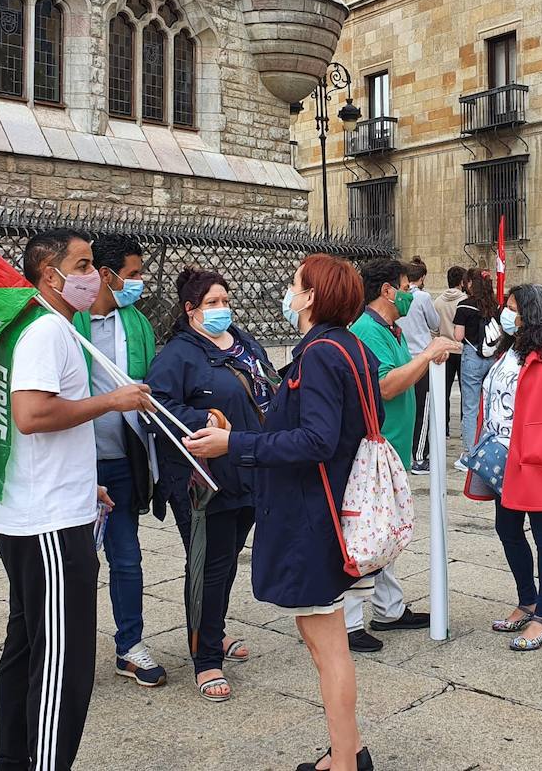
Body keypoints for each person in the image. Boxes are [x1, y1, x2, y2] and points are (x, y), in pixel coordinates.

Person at [184, 254, 379, 771]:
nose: (288, 293)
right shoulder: (350, 346)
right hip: (324, 506)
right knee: (320, 636)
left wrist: (236, 443)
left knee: (327, 642)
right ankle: (347, 750)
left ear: (312, 296)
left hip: (310, 513)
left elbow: (316, 439)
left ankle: (345, 761)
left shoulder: (319, 352)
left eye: (295, 285)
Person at [0, 229, 154, 771]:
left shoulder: (32, 326)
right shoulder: (45, 331)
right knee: (64, 659)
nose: (94, 277)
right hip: (49, 524)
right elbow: (32, 415)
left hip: (37, 506)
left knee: (27, 643)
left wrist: (86, 481)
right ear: (48, 272)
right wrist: (112, 399)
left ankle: (13, 758)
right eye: (82, 265)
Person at [148, 266, 272, 700]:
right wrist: (204, 420)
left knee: (227, 560)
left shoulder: (242, 341)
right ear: (190, 310)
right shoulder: (178, 355)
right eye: (211, 303)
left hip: (248, 467)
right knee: (207, 565)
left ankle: (213, 634)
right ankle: (205, 660)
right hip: (204, 480)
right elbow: (157, 407)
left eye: (224, 300)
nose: (221, 309)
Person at [69, 235, 166, 690]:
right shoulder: (66, 322)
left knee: (127, 557)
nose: (140, 283)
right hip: (75, 464)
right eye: (133, 274)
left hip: (124, 458)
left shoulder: (137, 322)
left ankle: (130, 645)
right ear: (105, 275)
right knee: (74, 562)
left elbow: (150, 383)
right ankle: (66, 648)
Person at [467, 285, 542, 651]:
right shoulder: (510, 348)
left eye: (513, 307)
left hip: (535, 456)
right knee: (507, 528)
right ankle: (527, 600)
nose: (506, 313)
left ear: (530, 312)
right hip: (503, 456)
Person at [346, 258, 456, 652]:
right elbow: (386, 386)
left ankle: (389, 609)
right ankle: (349, 620)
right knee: (368, 532)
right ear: (388, 290)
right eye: (407, 287)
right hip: (376, 447)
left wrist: (425, 358)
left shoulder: (388, 329)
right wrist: (426, 356)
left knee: (386, 530)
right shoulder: (367, 331)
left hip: (392, 448)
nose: (411, 295)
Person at [398, 257, 442, 475]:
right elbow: (435, 323)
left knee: (407, 406)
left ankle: (408, 452)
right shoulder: (423, 297)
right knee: (422, 408)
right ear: (421, 277)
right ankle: (419, 457)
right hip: (421, 356)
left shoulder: (398, 296)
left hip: (402, 355)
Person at [453, 270, 502, 462]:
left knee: (470, 407)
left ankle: (470, 453)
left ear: (471, 284)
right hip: (491, 358)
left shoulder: (464, 305)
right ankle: (488, 447)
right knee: (489, 404)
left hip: (472, 357)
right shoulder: (495, 305)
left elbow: (458, 336)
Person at [433, 265, 468, 436]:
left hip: (444, 350)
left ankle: (443, 427)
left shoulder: (438, 301)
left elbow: (434, 328)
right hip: (461, 350)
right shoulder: (465, 300)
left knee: (443, 391)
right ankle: (463, 428)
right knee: (465, 391)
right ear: (462, 281)